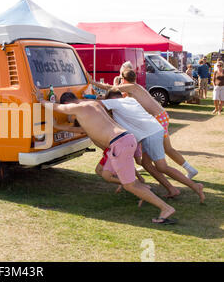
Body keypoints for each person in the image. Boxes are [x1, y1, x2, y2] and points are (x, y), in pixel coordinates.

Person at [36, 90, 177, 224]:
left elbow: (56, 107)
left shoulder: (77, 108)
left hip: (119, 144)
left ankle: (165, 208)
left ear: (68, 104)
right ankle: (144, 191)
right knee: (107, 174)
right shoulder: (93, 105)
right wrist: (59, 127)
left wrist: (40, 99)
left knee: (129, 185)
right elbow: (84, 129)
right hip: (125, 139)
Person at [99, 90, 205, 204]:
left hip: (150, 135)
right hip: (154, 131)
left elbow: (96, 103)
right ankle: (171, 189)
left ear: (111, 99)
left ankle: (195, 186)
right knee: (146, 164)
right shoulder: (129, 100)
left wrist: (91, 98)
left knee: (162, 167)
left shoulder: (116, 103)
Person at [110, 69, 199, 179]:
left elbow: (114, 91)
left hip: (158, 119)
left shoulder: (132, 88)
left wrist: (109, 84)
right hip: (161, 116)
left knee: (166, 149)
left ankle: (189, 170)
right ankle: (149, 164)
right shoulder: (135, 88)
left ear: (123, 79)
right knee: (161, 148)